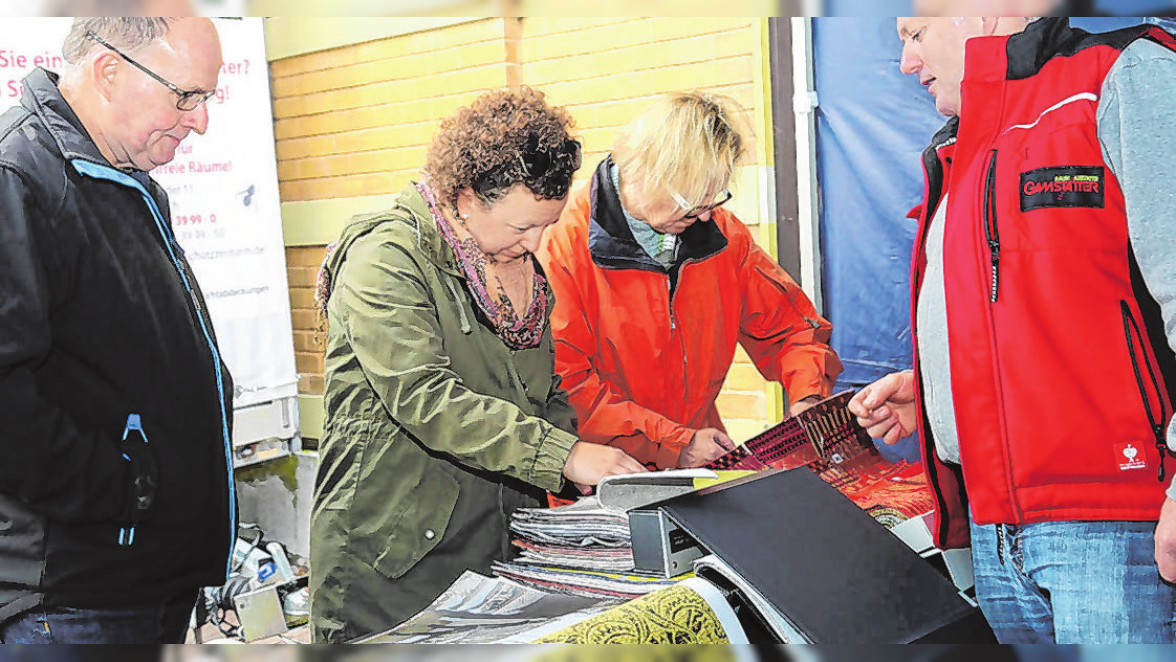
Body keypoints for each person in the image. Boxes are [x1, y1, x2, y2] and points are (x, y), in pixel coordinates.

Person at [847, 12, 1176, 643]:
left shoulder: (1121, 76)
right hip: (996, 532)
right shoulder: (965, 144)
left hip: (1120, 530)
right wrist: (937, 392)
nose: (906, 64)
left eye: (914, 34)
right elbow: (1039, 309)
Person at [309, 86, 647, 643]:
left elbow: (542, 390)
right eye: (521, 227)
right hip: (393, 559)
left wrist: (587, 481)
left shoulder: (514, 265)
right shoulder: (385, 257)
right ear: (466, 198)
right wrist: (564, 455)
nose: (536, 241)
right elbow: (425, 397)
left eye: (548, 224)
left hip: (495, 547)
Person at [0, 18, 232, 644]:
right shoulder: (18, 178)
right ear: (108, 71)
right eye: (186, 96)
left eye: (207, 98)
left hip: (141, 577)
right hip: (74, 594)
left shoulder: (115, 176)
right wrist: (119, 490)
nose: (200, 121)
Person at [536, 91, 842, 470]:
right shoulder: (558, 244)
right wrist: (675, 443)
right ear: (645, 169)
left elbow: (792, 330)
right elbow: (566, 387)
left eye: (714, 196)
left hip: (698, 463)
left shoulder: (723, 236)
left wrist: (809, 397)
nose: (701, 214)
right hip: (603, 476)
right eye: (691, 196)